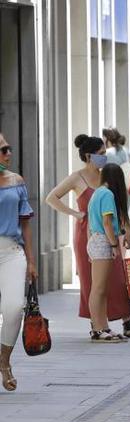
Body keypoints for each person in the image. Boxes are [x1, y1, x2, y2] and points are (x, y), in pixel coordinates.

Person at [46, 135, 130, 339]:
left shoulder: (106, 176)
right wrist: (76, 213)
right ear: (88, 156)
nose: (104, 158)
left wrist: (128, 229)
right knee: (92, 282)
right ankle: (97, 325)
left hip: (111, 234)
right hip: (88, 235)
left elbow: (120, 204)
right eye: (100, 154)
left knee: (118, 278)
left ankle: (126, 321)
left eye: (105, 154)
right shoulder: (76, 177)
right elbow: (51, 198)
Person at [0, 132, 36, 392]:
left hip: (12, 252)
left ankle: (4, 361)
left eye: (8, 148)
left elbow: (25, 224)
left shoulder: (17, 181)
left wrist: (32, 261)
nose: (8, 153)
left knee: (14, 308)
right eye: (3, 150)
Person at [87, 164, 130, 342]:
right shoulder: (107, 194)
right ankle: (97, 329)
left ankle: (103, 326)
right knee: (98, 289)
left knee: (102, 289)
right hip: (102, 242)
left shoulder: (98, 192)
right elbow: (107, 223)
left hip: (97, 240)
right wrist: (114, 245)